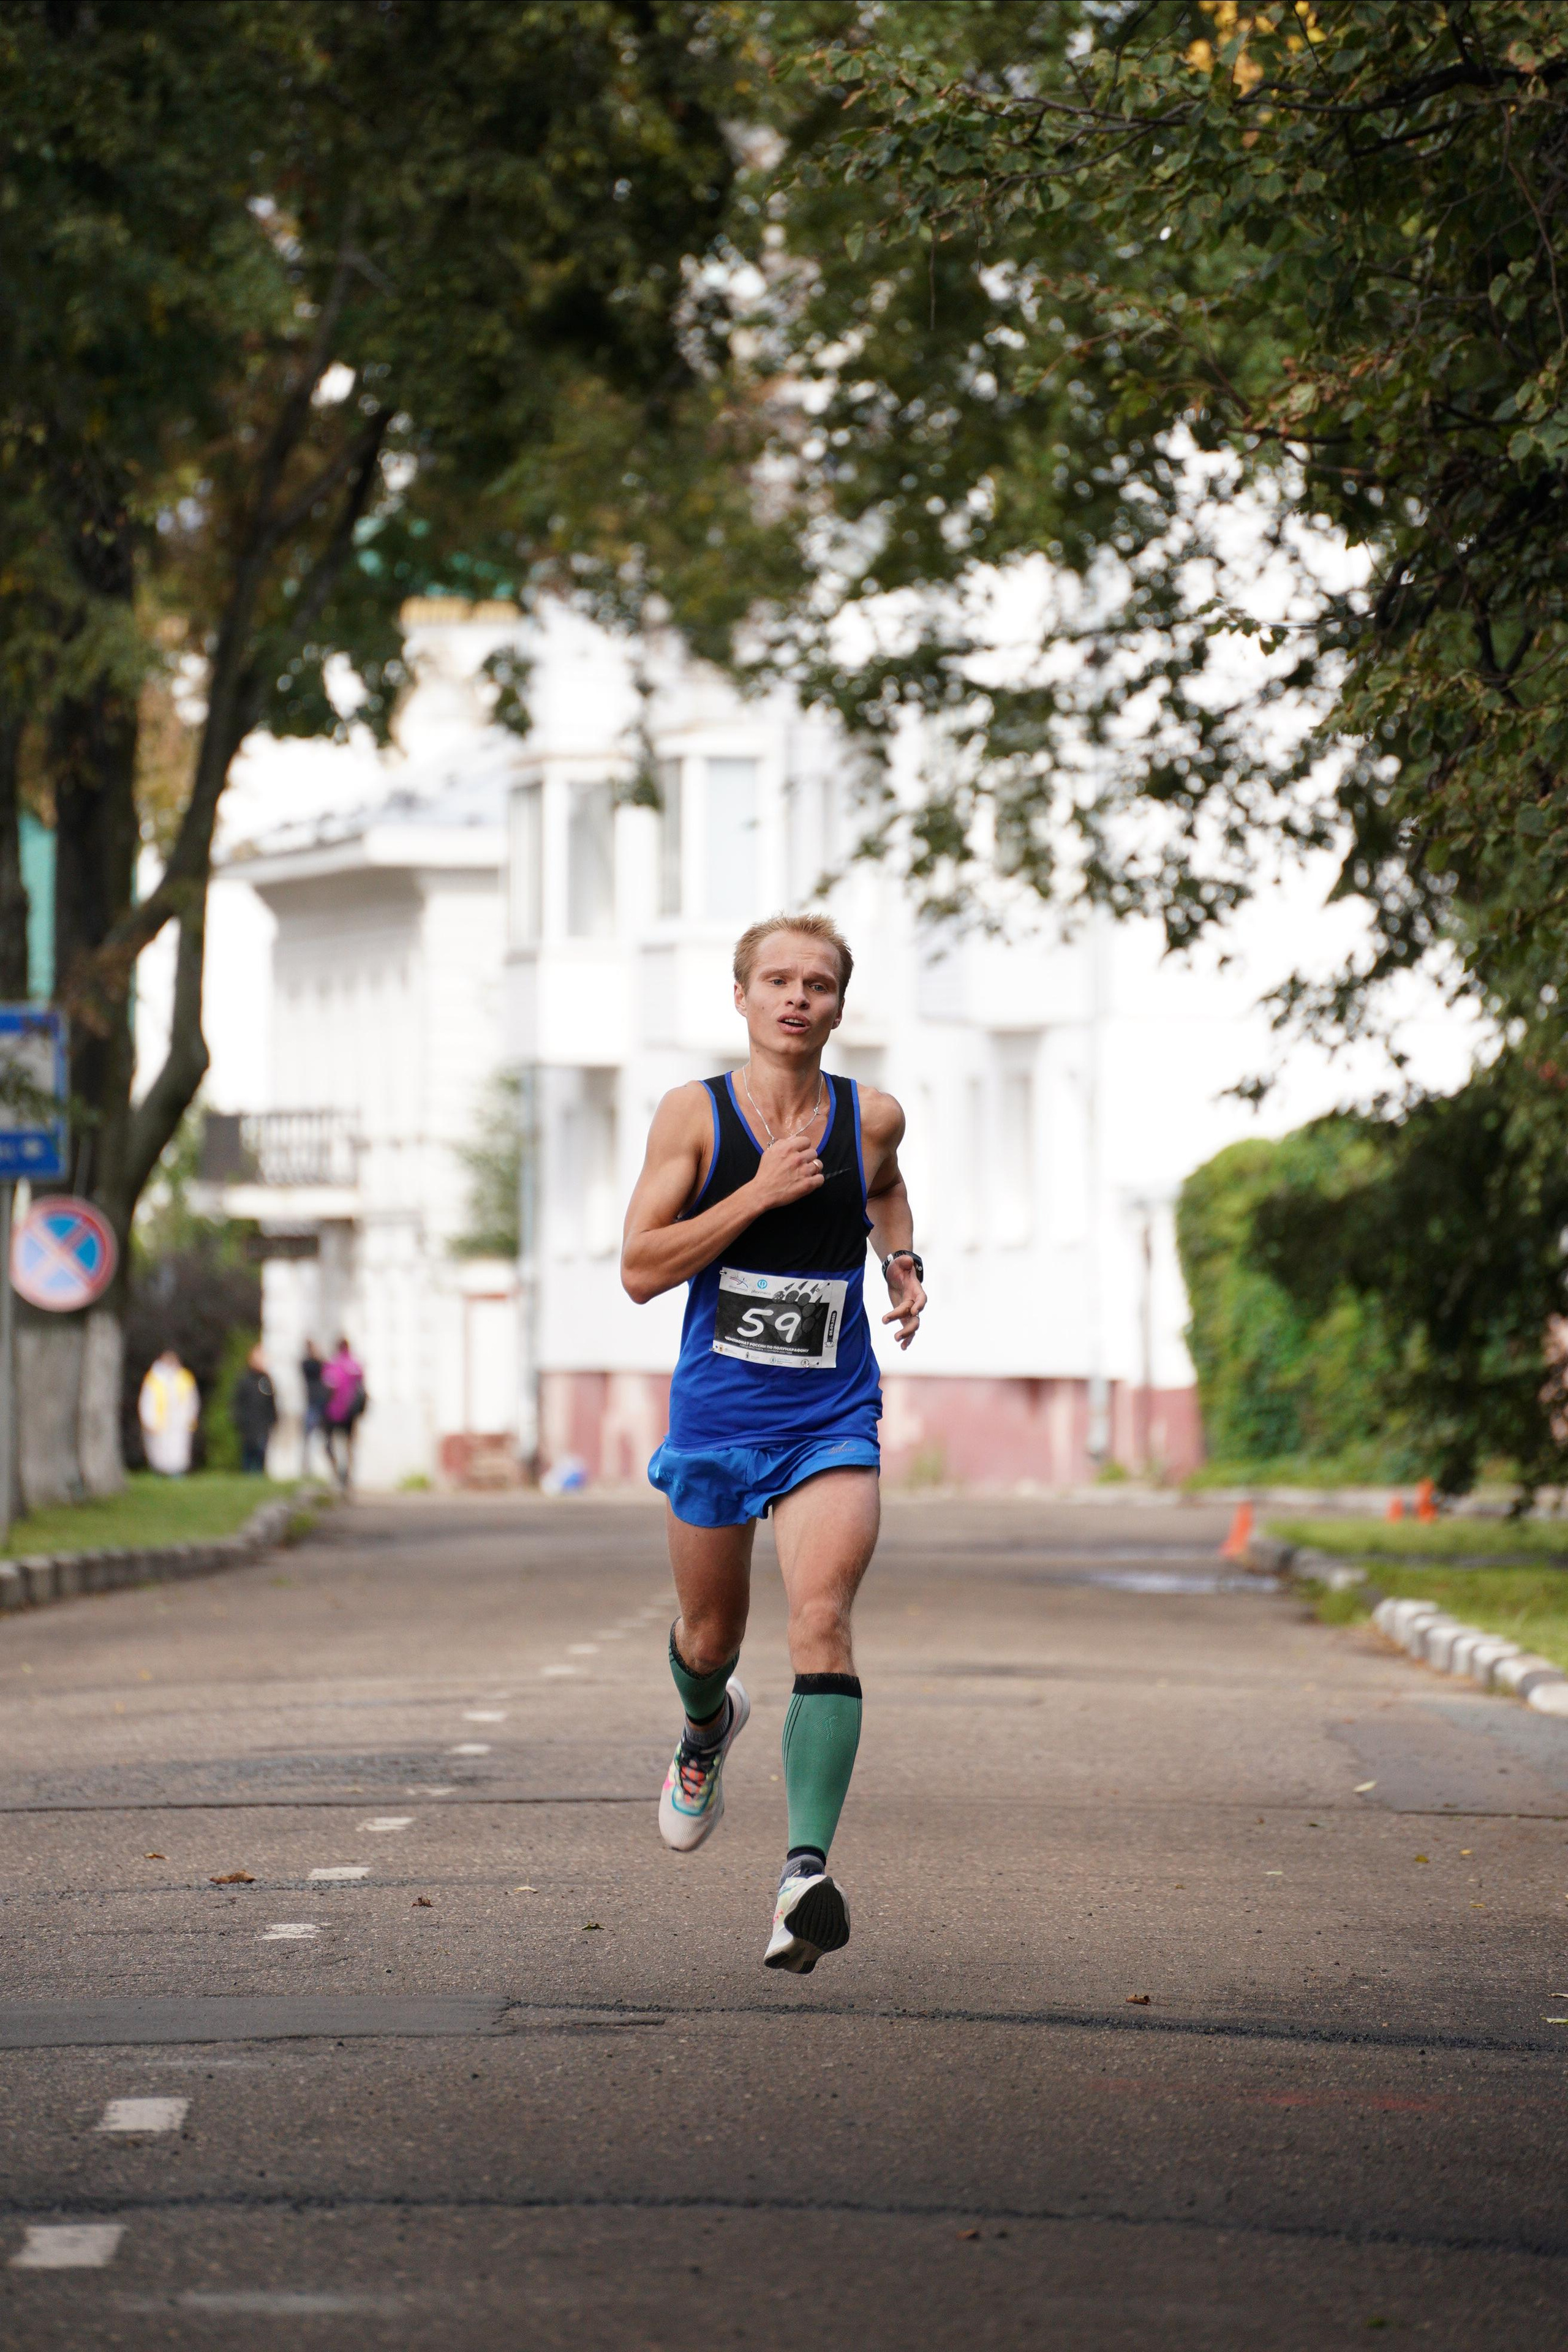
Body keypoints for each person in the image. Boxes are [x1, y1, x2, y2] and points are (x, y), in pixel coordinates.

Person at [621, 911, 925, 1974]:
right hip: (718, 1419)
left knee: (823, 1620)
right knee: (710, 1640)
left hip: (830, 1417)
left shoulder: (870, 1117)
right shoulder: (695, 1118)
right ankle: (707, 1728)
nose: (799, 998)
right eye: (779, 982)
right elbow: (642, 1267)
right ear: (743, 998)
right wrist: (756, 1193)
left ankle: (803, 1874)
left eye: (821, 985)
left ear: (841, 1005)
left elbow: (881, 1189)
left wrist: (901, 1259)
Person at [138, 1349, 200, 1477]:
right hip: (160, 1422)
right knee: (159, 1451)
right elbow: (147, 1401)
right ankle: (160, 1473)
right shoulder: (154, 1379)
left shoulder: (185, 1377)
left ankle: (177, 1473)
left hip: (179, 1422)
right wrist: (148, 1420)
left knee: (179, 1450)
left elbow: (192, 1400)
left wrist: (191, 1417)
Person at [322, 1335, 366, 1493]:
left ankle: (338, 1475)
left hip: (332, 1411)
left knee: (329, 1444)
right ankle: (346, 1475)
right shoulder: (355, 1366)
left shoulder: (331, 1365)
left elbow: (326, 1387)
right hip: (350, 1411)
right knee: (348, 1444)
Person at [231, 1344, 277, 1476]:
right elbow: (238, 1402)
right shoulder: (245, 1380)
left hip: (263, 1423)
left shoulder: (266, 1380)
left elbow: (271, 1401)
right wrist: (239, 1419)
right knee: (249, 1452)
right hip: (249, 1423)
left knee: (261, 1452)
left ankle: (259, 1475)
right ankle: (248, 1475)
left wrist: (273, 1418)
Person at [300, 1340, 328, 1475]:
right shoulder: (308, 1365)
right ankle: (307, 1467)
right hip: (313, 1403)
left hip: (320, 1403)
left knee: (323, 1436)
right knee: (309, 1436)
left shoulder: (316, 1364)